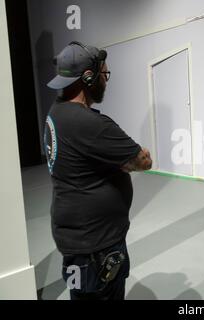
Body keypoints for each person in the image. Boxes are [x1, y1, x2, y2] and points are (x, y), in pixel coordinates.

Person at [44, 41, 152, 300]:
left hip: (75, 237)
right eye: (105, 74)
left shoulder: (56, 112)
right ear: (89, 78)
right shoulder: (92, 124)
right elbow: (143, 161)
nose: (107, 80)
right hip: (97, 246)